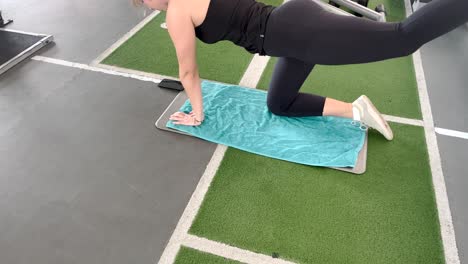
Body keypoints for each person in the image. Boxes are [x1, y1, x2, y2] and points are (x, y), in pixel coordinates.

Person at [134, 0, 468, 140]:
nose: (146, 5)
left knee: (403, 38)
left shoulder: (177, 14)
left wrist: (197, 114)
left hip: (297, 35)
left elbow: (189, 72)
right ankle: (357, 110)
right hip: (288, 27)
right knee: (279, 104)